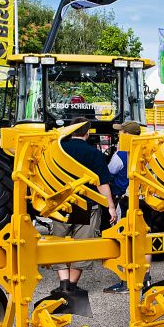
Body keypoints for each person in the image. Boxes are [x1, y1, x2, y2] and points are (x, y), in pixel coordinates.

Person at [49, 117, 118, 296]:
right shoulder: (95, 154)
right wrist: (110, 206)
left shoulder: (57, 149)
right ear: (87, 133)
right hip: (87, 205)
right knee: (83, 244)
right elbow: (102, 183)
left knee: (57, 242)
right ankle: (72, 285)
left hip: (61, 204)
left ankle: (63, 283)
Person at [103, 121, 153, 294]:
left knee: (125, 238)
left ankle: (126, 280)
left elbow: (109, 172)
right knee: (144, 238)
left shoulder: (121, 154)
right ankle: (145, 278)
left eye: (121, 132)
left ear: (127, 135)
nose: (119, 135)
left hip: (127, 199)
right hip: (146, 200)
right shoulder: (148, 152)